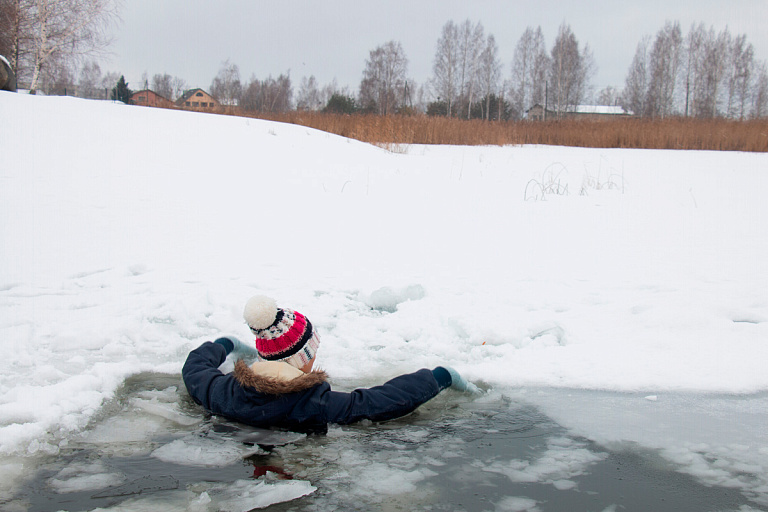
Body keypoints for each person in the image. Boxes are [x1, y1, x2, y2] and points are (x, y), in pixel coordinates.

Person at [182, 295, 477, 433]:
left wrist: (225, 344)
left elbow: (194, 369)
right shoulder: (313, 403)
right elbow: (376, 403)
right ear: (300, 359)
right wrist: (439, 377)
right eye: (311, 352)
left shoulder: (223, 391)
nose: (313, 358)